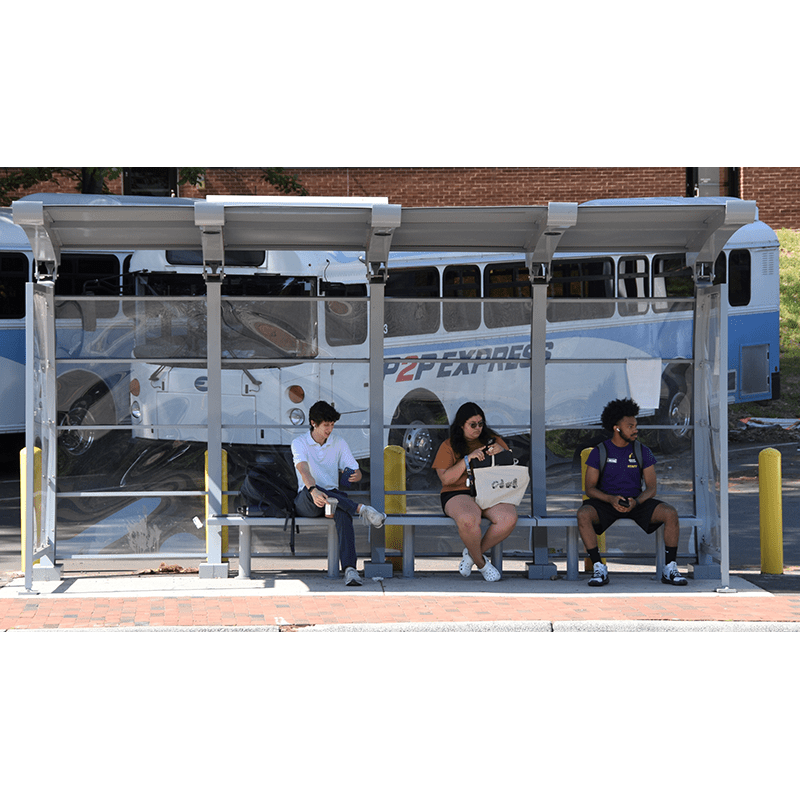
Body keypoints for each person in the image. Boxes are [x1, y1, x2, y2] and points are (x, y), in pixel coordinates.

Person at [577, 397, 687, 587]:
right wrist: (611, 499)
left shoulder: (643, 451)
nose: (635, 429)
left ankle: (670, 567)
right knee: (583, 514)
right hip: (607, 502)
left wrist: (636, 501)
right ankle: (598, 567)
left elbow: (652, 488)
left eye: (636, 425)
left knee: (670, 514)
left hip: (636, 502)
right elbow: (590, 488)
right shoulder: (599, 451)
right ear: (616, 428)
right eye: (630, 426)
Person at [291, 400, 386, 586]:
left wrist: (353, 475)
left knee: (342, 511)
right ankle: (362, 509)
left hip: (333, 500)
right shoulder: (299, 442)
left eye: (332, 425)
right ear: (313, 423)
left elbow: (356, 472)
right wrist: (313, 489)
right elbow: (303, 470)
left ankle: (350, 570)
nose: (330, 429)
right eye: (326, 425)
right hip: (308, 496)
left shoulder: (338, 442)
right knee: (335, 498)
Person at [432, 402, 518, 582]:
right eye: (473, 425)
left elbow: (511, 467)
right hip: (457, 492)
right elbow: (446, 479)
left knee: (508, 518)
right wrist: (467, 459)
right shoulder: (448, 445)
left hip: (489, 491)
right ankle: (482, 564)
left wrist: (502, 452)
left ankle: (471, 554)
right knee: (469, 519)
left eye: (481, 424)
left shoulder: (492, 440)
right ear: (461, 425)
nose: (478, 428)